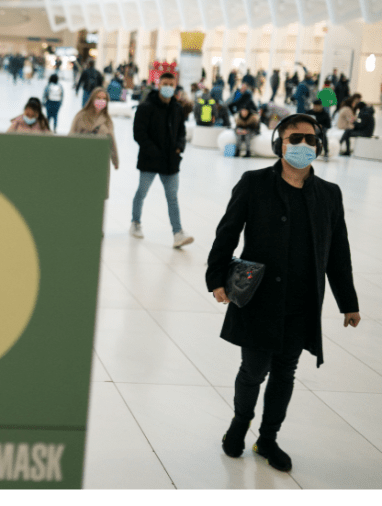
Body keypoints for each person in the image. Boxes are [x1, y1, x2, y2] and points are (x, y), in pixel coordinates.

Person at [206, 113, 360, 473]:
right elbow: (227, 233)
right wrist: (216, 279)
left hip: (302, 303)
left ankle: (268, 437)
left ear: (318, 146)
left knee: (285, 373)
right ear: (279, 143)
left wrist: (348, 302)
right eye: (295, 139)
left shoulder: (329, 195)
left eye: (310, 140)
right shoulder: (254, 183)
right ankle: (240, 422)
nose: (303, 146)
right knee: (253, 370)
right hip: (259, 300)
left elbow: (338, 252)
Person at [130, 72, 193, 248]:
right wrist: (154, 151)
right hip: (150, 159)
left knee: (172, 197)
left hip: (170, 161)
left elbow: (182, 131)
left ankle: (178, 233)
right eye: (165, 83)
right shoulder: (146, 107)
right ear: (158, 84)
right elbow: (139, 134)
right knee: (142, 191)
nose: (168, 87)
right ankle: (135, 222)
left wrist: (179, 147)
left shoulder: (177, 108)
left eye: (171, 84)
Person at [69, 87, 119, 198]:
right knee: (80, 192)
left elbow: (112, 141)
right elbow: (71, 137)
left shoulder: (107, 120)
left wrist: (115, 160)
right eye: (98, 98)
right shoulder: (81, 116)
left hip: (99, 161)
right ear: (92, 99)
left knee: (96, 194)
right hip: (82, 159)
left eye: (104, 98)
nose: (101, 100)